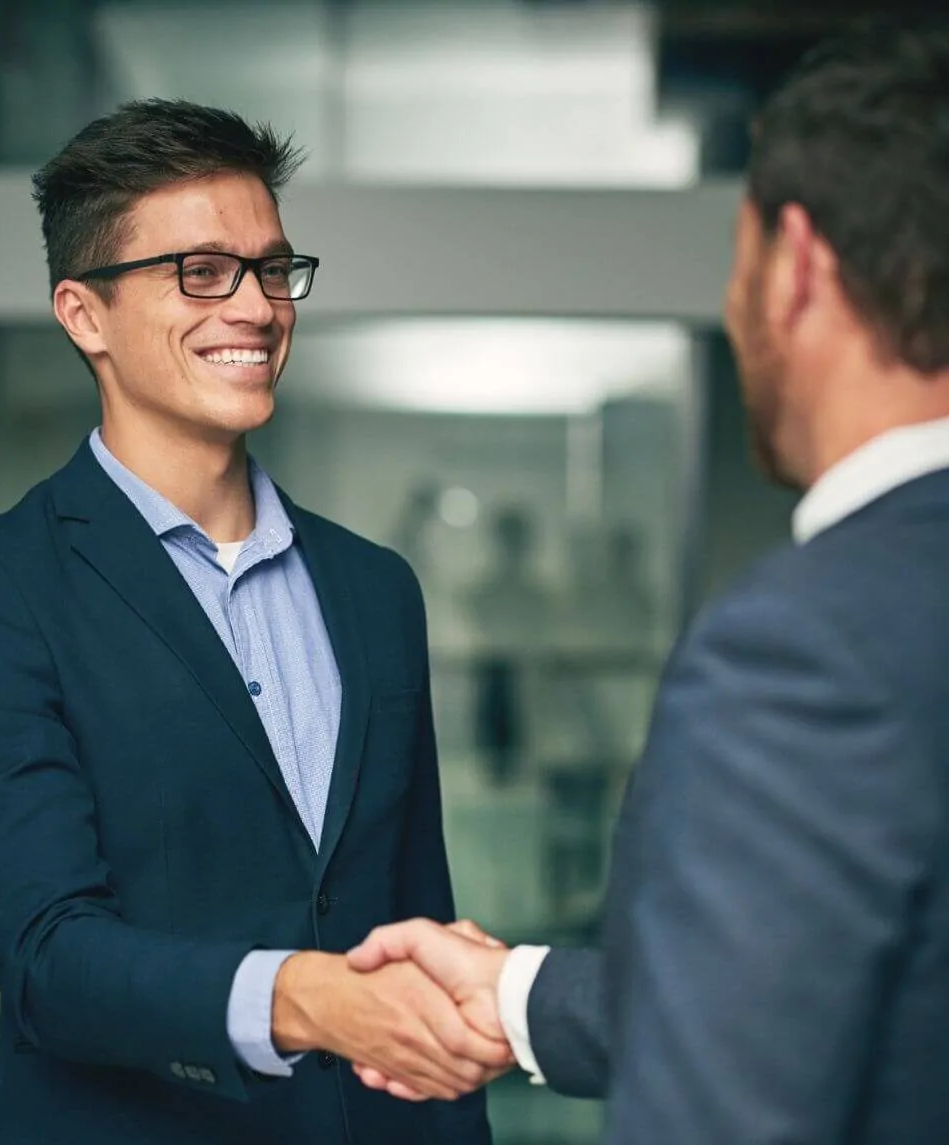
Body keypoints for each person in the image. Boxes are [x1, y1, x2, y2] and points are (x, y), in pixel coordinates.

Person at [348, 21, 949, 1145]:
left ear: (797, 266)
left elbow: (728, 1100)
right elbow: (840, 988)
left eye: (738, 259)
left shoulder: (804, 648)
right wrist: (519, 993)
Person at [0, 99, 506, 1145]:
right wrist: (302, 997)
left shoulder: (375, 588)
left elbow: (416, 926)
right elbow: (49, 958)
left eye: (272, 269)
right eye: (203, 272)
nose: (258, 307)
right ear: (84, 314)